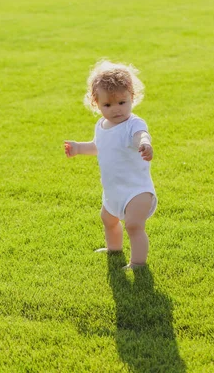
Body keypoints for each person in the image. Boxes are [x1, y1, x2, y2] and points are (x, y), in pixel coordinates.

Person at [64, 60, 157, 270]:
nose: (116, 110)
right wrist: (78, 148)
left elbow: (139, 136)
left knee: (133, 225)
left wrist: (144, 143)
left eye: (122, 103)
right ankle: (114, 248)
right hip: (113, 189)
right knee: (108, 219)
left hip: (136, 189)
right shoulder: (102, 125)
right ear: (96, 104)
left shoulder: (133, 124)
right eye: (108, 105)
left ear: (131, 98)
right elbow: (99, 146)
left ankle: (138, 263)